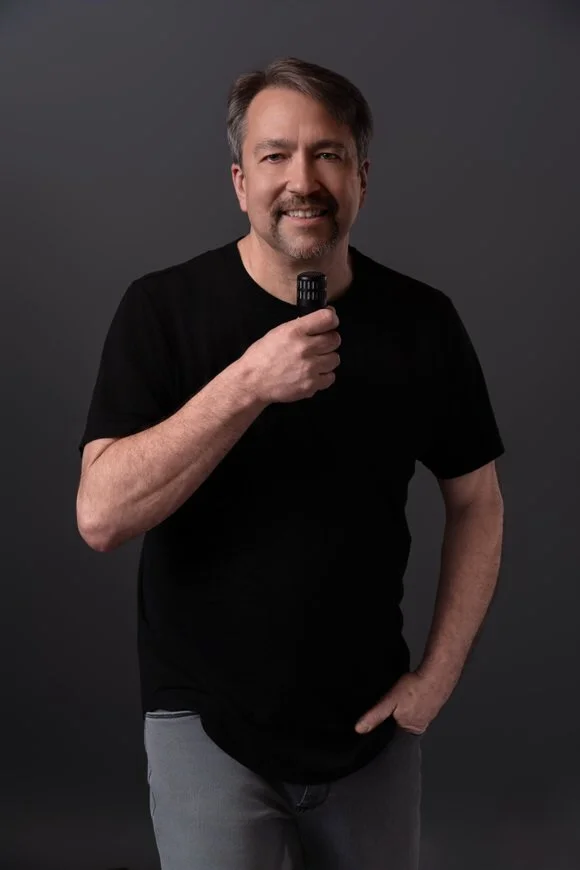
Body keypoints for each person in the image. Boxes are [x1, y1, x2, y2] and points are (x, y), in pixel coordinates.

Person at [76, 56, 505, 870]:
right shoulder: (162, 309)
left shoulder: (422, 321)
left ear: (362, 178)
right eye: (275, 156)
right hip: (207, 728)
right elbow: (101, 514)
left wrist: (436, 679)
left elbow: (477, 497)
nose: (301, 179)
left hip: (371, 730)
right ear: (240, 182)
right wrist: (247, 384)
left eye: (327, 153)